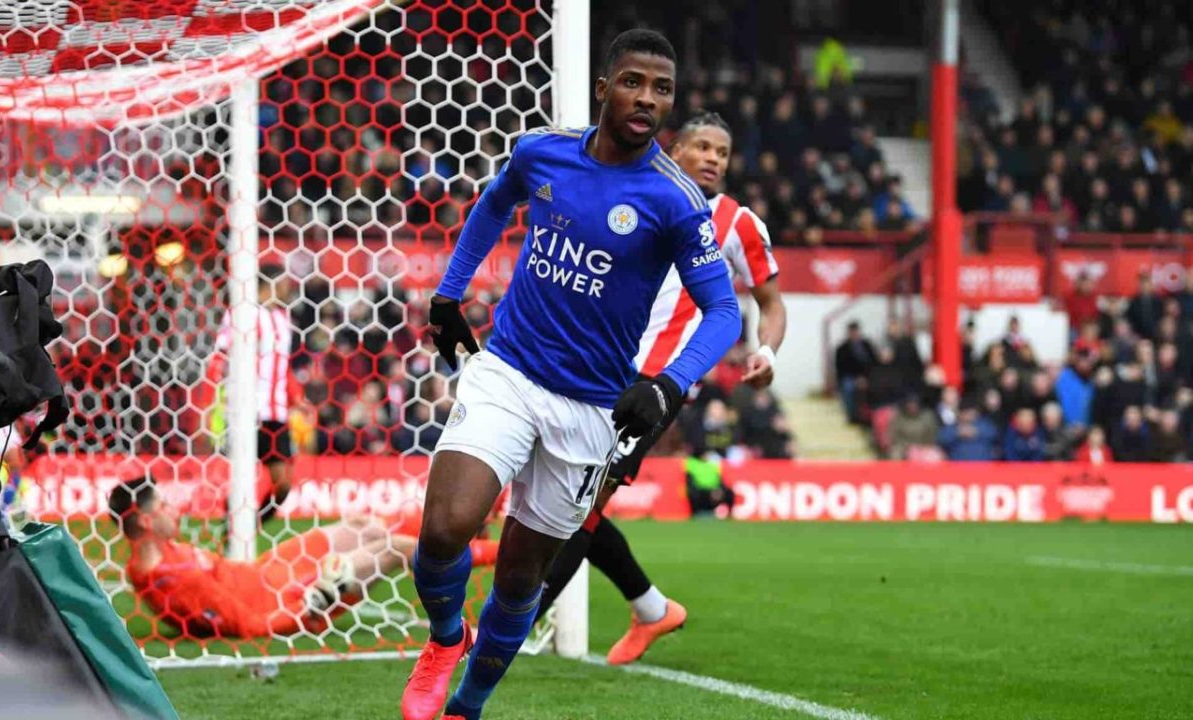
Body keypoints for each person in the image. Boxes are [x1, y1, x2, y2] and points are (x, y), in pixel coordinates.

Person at [403, 30, 741, 720]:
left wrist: (669, 384)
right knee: (445, 529)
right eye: (633, 82)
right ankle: (445, 638)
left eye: (662, 88)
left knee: (523, 578)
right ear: (603, 87)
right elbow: (495, 203)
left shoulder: (676, 199)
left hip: (591, 410)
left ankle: (466, 708)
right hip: (509, 370)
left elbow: (724, 312)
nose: (647, 98)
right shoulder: (542, 152)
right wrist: (449, 293)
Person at [533, 108, 787, 667]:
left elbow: (772, 303)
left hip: (657, 385)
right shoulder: (640, 198)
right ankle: (651, 609)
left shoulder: (736, 222)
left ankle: (506, 630)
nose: (714, 160)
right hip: (596, 368)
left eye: (722, 152)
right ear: (676, 149)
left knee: (582, 505)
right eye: (703, 148)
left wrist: (766, 349)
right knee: (570, 500)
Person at [107, 478, 499, 639]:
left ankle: (473, 533)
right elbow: (243, 623)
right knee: (393, 548)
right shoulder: (171, 581)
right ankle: (496, 557)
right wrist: (300, 609)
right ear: (143, 519)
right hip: (287, 597)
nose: (172, 509)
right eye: (162, 505)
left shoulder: (156, 558)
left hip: (268, 571)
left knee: (365, 526)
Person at [202, 264, 295, 523]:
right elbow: (218, 359)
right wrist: (207, 404)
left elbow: (283, 365)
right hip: (246, 411)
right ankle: (233, 534)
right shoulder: (241, 314)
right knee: (241, 484)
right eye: (284, 283)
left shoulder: (283, 318)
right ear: (271, 285)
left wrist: (297, 398)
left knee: (284, 483)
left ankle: (249, 527)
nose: (289, 289)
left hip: (276, 413)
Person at [835, 320, 874, 423]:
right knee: (848, 388)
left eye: (856, 331)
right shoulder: (842, 349)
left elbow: (873, 363)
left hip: (867, 377)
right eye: (852, 332)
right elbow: (841, 369)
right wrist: (857, 379)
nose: (854, 334)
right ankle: (852, 416)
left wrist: (865, 378)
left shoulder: (867, 345)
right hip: (850, 377)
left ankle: (870, 416)